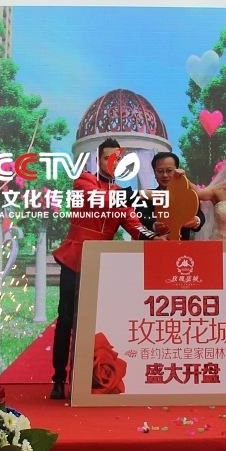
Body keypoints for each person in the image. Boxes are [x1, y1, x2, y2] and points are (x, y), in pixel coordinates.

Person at [51, 138, 160, 399]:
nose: (113, 163)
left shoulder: (120, 193)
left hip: (101, 263)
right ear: (98, 160)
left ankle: (89, 378)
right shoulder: (84, 181)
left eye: (117, 159)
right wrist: (136, 195)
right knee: (66, 319)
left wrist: (155, 238)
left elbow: (134, 225)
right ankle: (58, 378)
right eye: (107, 158)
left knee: (97, 321)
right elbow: (97, 199)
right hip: (74, 257)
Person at [133, 151, 205, 240]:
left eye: (169, 171)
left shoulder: (187, 195)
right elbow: (140, 217)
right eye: (160, 171)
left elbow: (200, 215)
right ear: (154, 173)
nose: (165, 175)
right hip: (153, 246)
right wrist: (154, 225)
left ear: (177, 170)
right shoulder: (147, 196)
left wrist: (196, 220)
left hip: (183, 246)